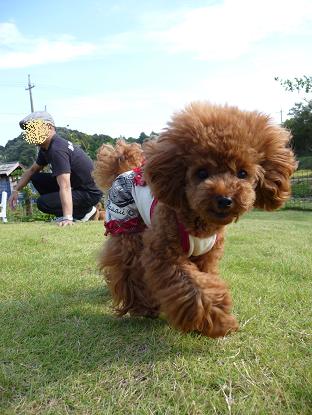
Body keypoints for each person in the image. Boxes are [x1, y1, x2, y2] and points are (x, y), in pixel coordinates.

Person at [9, 111, 102, 226]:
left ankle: (82, 213)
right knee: (36, 177)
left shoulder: (57, 149)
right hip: (76, 187)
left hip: (89, 193)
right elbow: (32, 170)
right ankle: (82, 211)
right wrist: (16, 190)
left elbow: (65, 186)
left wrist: (67, 218)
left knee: (43, 203)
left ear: (49, 127)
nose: (31, 133)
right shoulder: (46, 148)